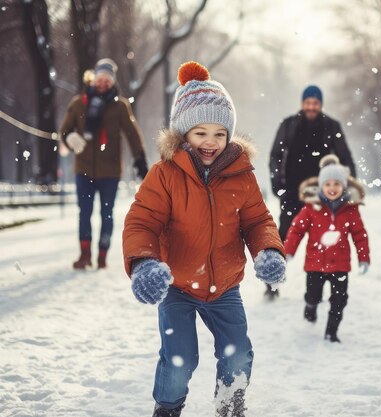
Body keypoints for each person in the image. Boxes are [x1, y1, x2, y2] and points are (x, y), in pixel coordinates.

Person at [122, 61, 286, 417]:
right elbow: (142, 221)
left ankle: (230, 404)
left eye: (219, 133)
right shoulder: (165, 175)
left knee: (238, 351)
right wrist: (144, 262)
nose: (210, 141)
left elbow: (258, 221)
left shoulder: (241, 175)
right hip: (177, 286)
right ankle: (167, 408)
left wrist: (269, 250)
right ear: (183, 134)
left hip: (224, 286)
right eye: (200, 132)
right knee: (180, 360)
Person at [268, 85, 357, 299]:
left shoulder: (331, 125)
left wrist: (351, 185)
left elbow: (345, 156)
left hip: (324, 193)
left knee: (328, 238)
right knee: (284, 236)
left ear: (320, 104)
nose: (311, 107)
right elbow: (276, 156)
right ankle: (271, 280)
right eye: (308, 102)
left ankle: (329, 284)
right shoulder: (288, 125)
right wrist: (277, 184)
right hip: (292, 191)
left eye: (315, 103)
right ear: (302, 103)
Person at [59, 58, 148, 270]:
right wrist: (70, 138)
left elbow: (132, 135)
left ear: (112, 82)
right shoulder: (78, 103)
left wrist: (140, 160)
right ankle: (84, 254)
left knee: (106, 214)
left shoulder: (119, 106)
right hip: (84, 169)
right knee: (85, 212)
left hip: (110, 171)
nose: (103, 83)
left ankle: (102, 256)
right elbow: (65, 130)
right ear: (93, 79)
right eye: (100, 79)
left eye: (107, 80)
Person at [284, 154, 370, 343]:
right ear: (321, 186)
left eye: (337, 184)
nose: (332, 188)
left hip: (340, 265)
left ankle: (331, 332)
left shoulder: (350, 210)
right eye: (328, 184)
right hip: (315, 264)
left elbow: (359, 235)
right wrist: (288, 251)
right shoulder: (310, 208)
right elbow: (296, 230)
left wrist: (364, 258)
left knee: (339, 301)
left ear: (344, 186)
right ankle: (310, 307)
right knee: (313, 295)